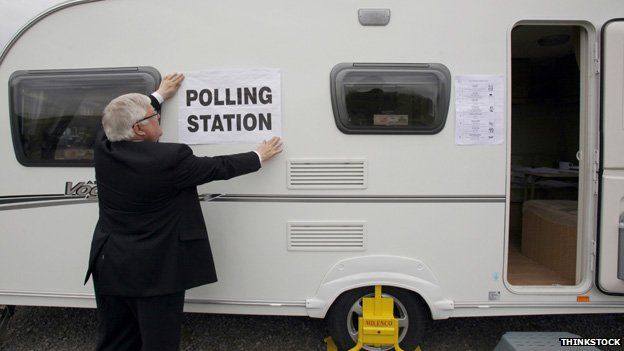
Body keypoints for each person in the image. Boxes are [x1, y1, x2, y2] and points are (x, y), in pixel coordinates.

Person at [84, 73, 283, 351]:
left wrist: (160, 94)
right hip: (154, 274)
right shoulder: (168, 160)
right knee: (159, 343)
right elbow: (218, 167)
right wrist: (258, 155)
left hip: (110, 264)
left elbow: (116, 119)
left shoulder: (104, 146)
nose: (158, 118)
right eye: (154, 116)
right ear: (139, 130)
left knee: (115, 340)